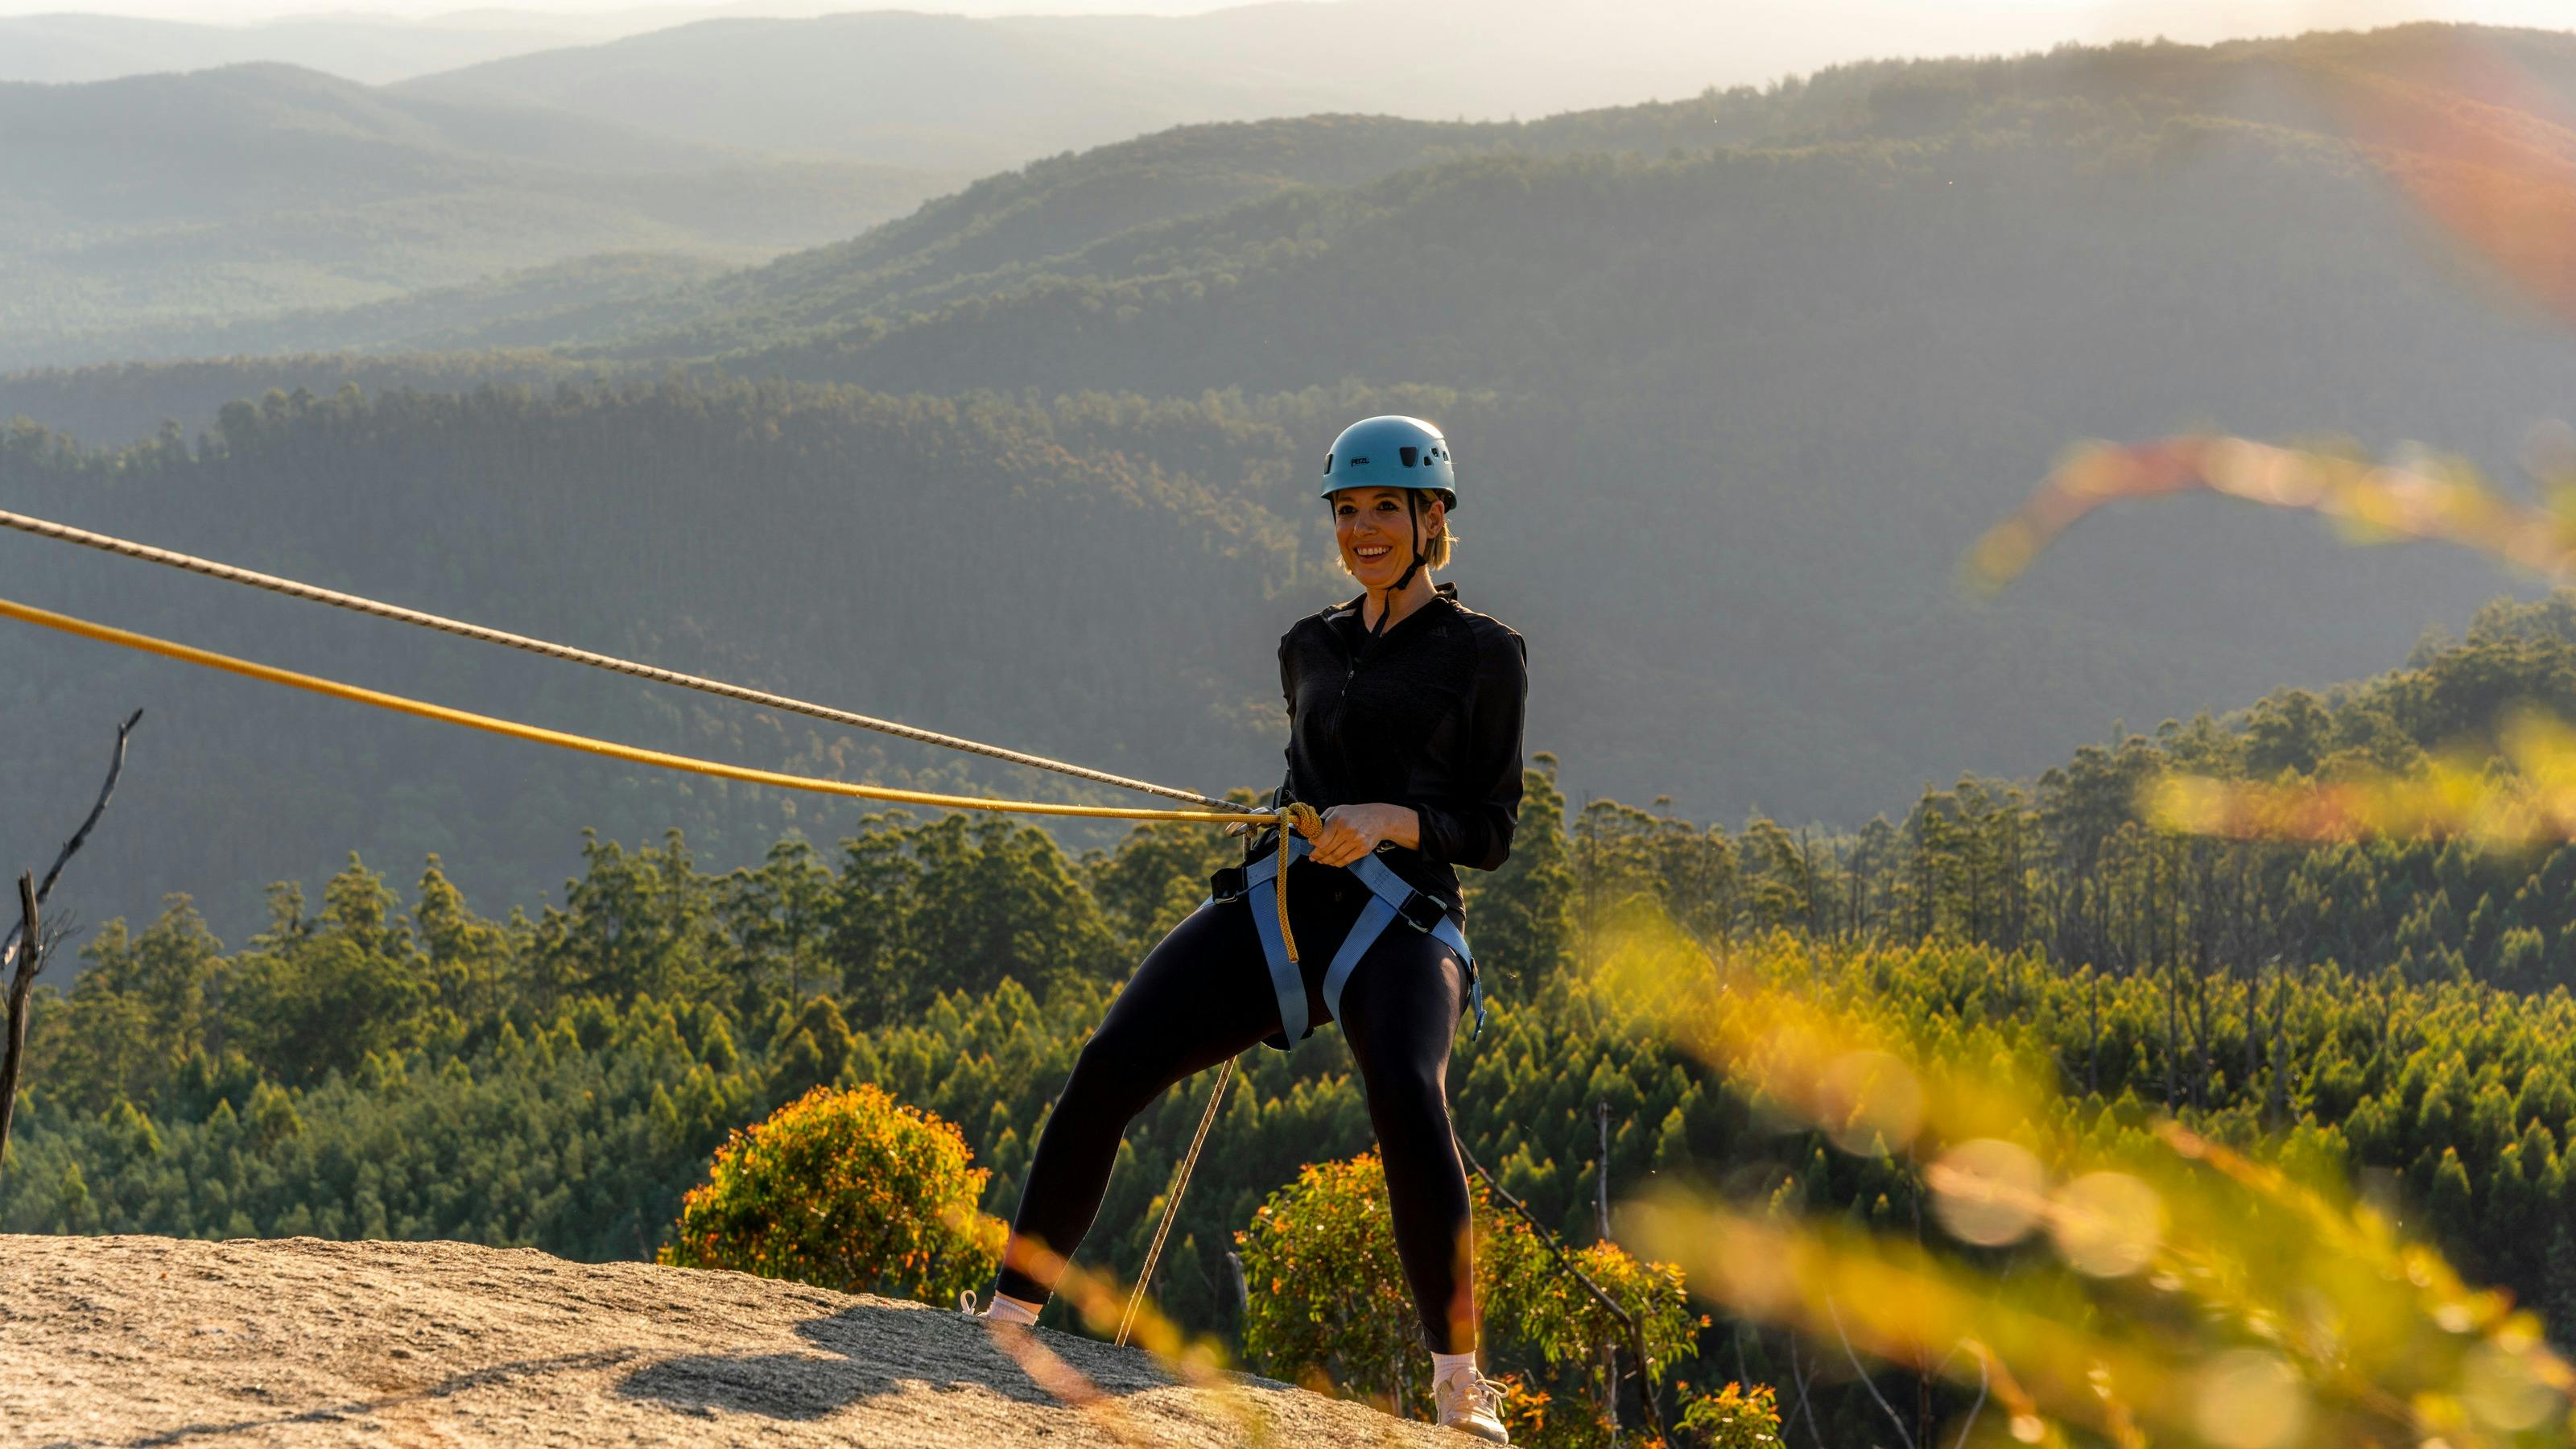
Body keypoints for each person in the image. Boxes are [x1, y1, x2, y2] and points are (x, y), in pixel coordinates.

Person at [968, 415, 1528, 1442]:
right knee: (1107, 1066)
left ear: (1431, 517)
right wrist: (1295, 812)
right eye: (1346, 511)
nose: (1362, 531)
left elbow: (1489, 829)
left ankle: (1459, 1381)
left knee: (1407, 1092)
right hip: (1284, 901)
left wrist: (1392, 820)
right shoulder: (1306, 644)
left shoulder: (1485, 654)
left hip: (1401, 922)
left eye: (1384, 511)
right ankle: (1007, 1312)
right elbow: (1306, 766)